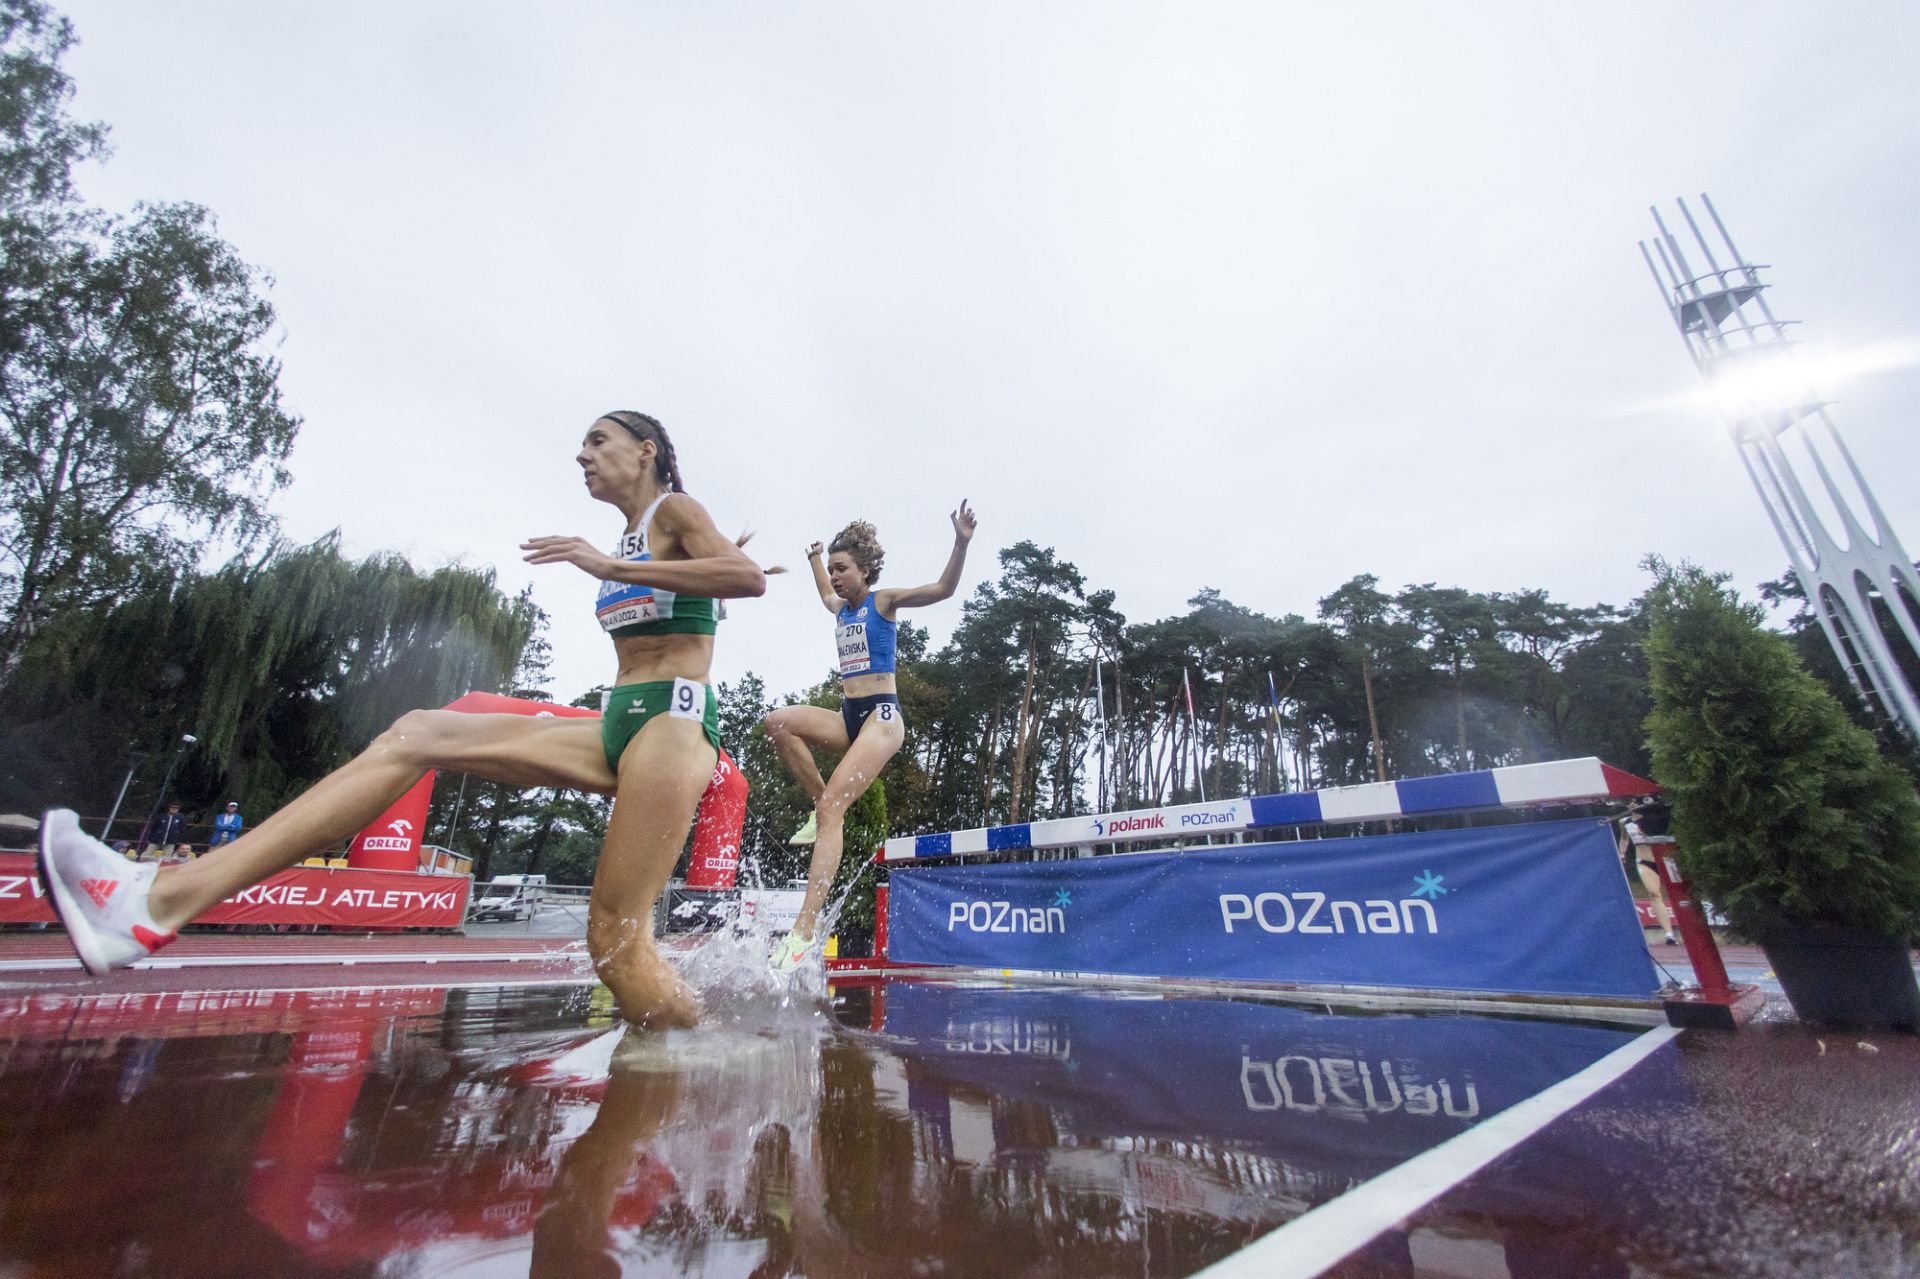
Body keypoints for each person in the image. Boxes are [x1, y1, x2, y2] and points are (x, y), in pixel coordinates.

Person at [37, 410, 768, 1026]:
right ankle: (157, 901)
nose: (582, 454)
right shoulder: (632, 536)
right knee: (417, 732)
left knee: (616, 945)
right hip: (617, 721)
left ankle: (701, 1049)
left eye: (598, 440)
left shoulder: (676, 510)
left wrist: (615, 570)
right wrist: (634, 566)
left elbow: (746, 578)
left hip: (672, 729)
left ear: (645, 451)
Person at [761, 502, 976, 972]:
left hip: (882, 716)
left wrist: (960, 542)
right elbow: (823, 594)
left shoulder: (883, 602)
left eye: (842, 569)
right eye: (832, 569)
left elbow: (942, 589)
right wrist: (814, 558)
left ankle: (803, 931)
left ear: (864, 570)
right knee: (778, 722)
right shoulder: (839, 608)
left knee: (832, 811)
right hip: (849, 716)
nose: (835, 577)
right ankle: (819, 804)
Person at [1618, 802, 1678, 946]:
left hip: (1665, 859)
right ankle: (1668, 933)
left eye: (1636, 801)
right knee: (1654, 893)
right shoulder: (1624, 821)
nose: (1633, 804)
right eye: (1629, 801)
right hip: (1643, 860)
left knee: (1679, 893)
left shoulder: (1653, 817)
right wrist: (1622, 853)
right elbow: (1624, 837)